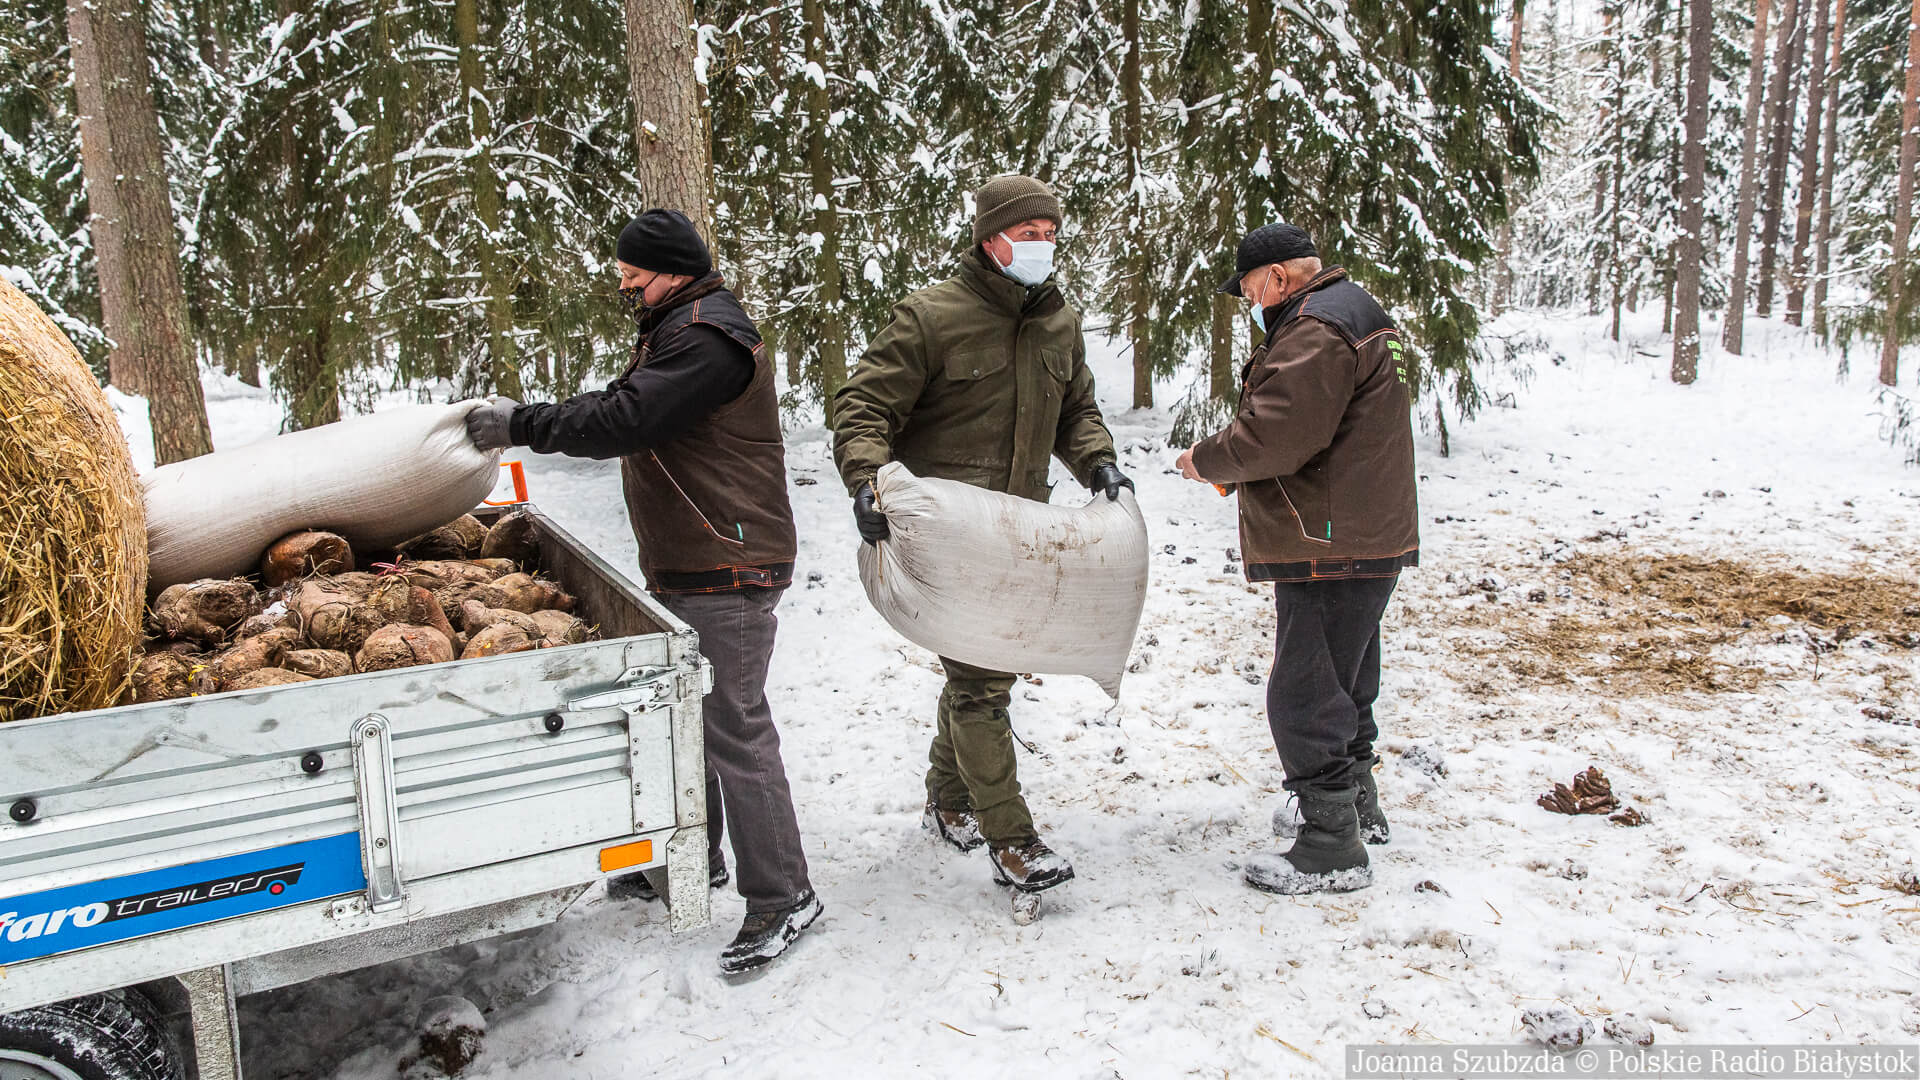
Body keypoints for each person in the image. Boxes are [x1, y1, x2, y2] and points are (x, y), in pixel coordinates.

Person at [465, 209, 820, 973]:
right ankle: (698, 855)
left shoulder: (707, 337)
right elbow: (628, 405)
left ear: (673, 269)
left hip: (729, 561)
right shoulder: (676, 326)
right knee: (690, 719)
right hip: (698, 558)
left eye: (634, 274)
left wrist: (523, 424)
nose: (625, 286)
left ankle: (785, 895)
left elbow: (625, 418)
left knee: (734, 726)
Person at [830, 174, 1131, 898]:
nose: (1043, 246)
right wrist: (866, 481)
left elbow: (1076, 411)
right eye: (1029, 235)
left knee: (982, 667)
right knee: (981, 685)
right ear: (991, 238)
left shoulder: (1058, 323)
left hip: (1022, 533)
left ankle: (948, 797)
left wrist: (1098, 462)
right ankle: (1013, 839)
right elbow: (863, 405)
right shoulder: (931, 317)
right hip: (948, 535)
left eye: (1051, 235)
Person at [1173, 223, 1418, 895]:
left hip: (1328, 540)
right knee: (1346, 678)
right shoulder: (1358, 311)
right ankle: (1357, 805)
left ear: (1278, 277)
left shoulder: (1316, 327)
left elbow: (1277, 434)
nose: (1252, 303)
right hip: (1362, 533)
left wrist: (1206, 460)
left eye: (1252, 290)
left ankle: (1331, 843)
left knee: (1306, 692)